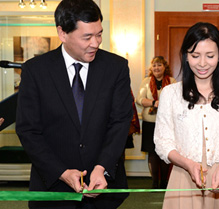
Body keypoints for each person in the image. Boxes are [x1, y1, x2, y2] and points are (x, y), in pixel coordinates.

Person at [15, 0, 132, 208]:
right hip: (52, 189)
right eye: (87, 37)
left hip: (102, 190)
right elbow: (28, 130)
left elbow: (120, 123)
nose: (95, 43)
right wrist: (61, 172)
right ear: (62, 33)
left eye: (99, 34)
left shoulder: (116, 68)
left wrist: (101, 167)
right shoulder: (35, 71)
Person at [153, 22, 219, 209]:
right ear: (186, 56)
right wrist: (188, 164)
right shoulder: (170, 93)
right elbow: (163, 142)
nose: (203, 63)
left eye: (210, 56)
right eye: (195, 55)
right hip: (183, 176)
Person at [136, 56, 176, 189]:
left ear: (165, 67)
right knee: (152, 153)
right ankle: (154, 182)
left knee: (165, 152)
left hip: (167, 123)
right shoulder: (146, 82)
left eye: (159, 65)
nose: (156, 68)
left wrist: (164, 104)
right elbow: (139, 100)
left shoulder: (172, 81)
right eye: (154, 66)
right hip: (149, 122)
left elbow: (177, 101)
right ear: (151, 68)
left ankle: (164, 182)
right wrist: (154, 103)